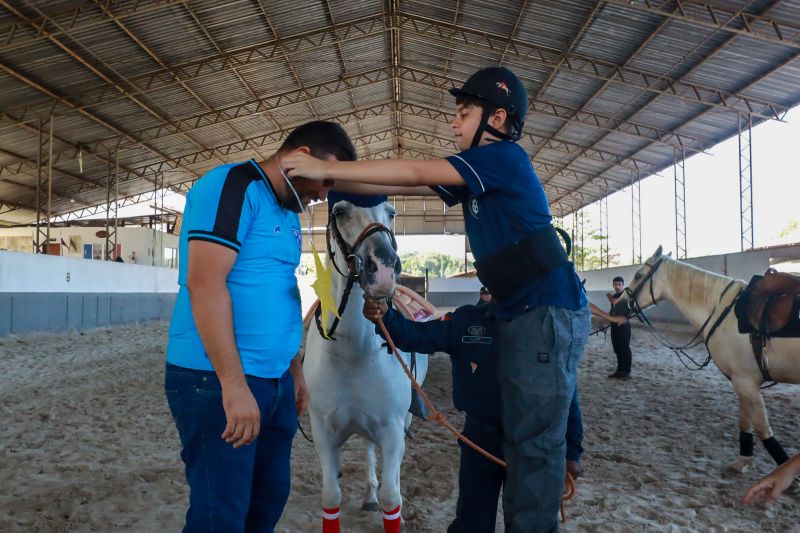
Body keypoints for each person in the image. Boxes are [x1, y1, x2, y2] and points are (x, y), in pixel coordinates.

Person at [283, 65, 589, 531]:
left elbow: (414, 170)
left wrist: (328, 167)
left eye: (464, 114)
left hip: (545, 310)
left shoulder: (506, 158)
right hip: (516, 309)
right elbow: (399, 184)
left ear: (499, 120)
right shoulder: (479, 175)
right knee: (499, 424)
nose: (453, 123)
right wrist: (332, 187)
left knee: (533, 450)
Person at [164, 121, 355, 532]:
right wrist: (233, 385)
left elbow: (277, 290)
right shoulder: (232, 185)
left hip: (275, 384)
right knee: (221, 515)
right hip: (214, 379)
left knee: (267, 502)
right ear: (301, 155)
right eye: (324, 180)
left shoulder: (288, 213)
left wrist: (294, 369)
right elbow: (204, 283)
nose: (324, 194)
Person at [362, 298, 584, 533]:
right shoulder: (466, 321)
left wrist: (572, 449)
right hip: (479, 440)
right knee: (472, 522)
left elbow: (567, 390)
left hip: (534, 442)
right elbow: (418, 335)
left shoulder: (548, 326)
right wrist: (386, 316)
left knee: (530, 526)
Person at [606, 276, 633, 379]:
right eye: (615, 284)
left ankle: (627, 372)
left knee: (624, 348)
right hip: (614, 325)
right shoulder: (615, 295)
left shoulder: (624, 295)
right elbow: (612, 310)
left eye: (619, 284)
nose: (617, 286)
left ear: (623, 285)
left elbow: (613, 301)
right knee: (617, 348)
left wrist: (608, 296)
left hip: (623, 325)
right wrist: (605, 320)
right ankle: (620, 370)